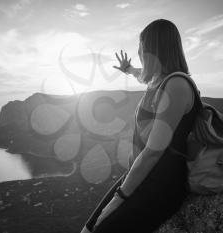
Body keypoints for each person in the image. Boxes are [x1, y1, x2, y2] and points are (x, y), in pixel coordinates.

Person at [80, 19, 201, 233]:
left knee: (101, 228)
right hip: (142, 173)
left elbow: (153, 153)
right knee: (89, 229)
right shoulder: (159, 79)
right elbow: (142, 77)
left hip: (161, 182)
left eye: (142, 46)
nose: (139, 51)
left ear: (154, 49)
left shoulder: (176, 85)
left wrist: (121, 197)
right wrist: (129, 69)